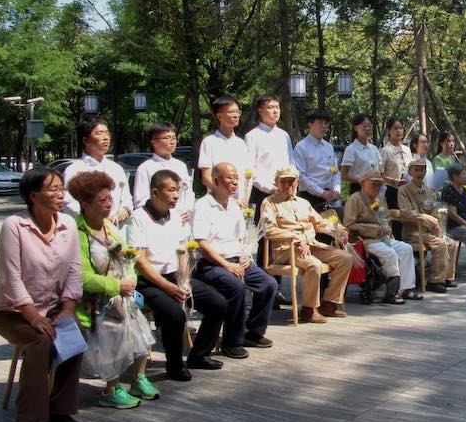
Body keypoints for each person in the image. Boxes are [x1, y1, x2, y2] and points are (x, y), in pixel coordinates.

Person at [0, 169, 87, 422]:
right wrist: (32, 316)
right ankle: (28, 420)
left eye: (60, 188)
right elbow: (11, 277)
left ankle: (60, 414)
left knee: (73, 336)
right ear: (33, 195)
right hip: (11, 311)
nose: (60, 194)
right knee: (40, 339)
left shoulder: (68, 224)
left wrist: (68, 308)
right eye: (52, 189)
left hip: (54, 307)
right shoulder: (14, 225)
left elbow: (75, 272)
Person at [128, 170, 227, 381]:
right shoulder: (138, 218)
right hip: (149, 281)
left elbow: (182, 249)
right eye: (171, 190)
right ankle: (174, 366)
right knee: (175, 314)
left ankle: (199, 355)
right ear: (155, 192)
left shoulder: (176, 217)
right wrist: (167, 286)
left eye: (178, 190)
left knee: (217, 303)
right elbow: (140, 261)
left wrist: (183, 279)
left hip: (175, 276)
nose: (176, 196)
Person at [69, 171, 157, 410]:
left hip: (120, 296)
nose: (109, 204)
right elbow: (82, 277)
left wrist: (130, 278)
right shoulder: (77, 235)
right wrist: (116, 286)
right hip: (92, 302)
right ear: (86, 205)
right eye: (103, 200)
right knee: (112, 328)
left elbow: (127, 258)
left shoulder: (111, 228)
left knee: (139, 323)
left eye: (110, 199)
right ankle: (111, 387)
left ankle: (139, 378)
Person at [191, 162, 278, 358]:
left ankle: (253, 332)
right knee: (235, 287)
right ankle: (231, 342)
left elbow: (242, 238)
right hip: (211, 264)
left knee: (268, 283)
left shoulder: (234, 207)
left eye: (236, 178)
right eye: (230, 177)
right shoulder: (203, 206)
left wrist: (245, 255)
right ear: (215, 180)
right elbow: (201, 244)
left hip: (237, 259)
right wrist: (227, 264)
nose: (235, 182)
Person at [261, 166, 353, 323]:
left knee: (345, 258)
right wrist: (296, 238)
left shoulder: (304, 203)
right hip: (287, 249)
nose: (288, 185)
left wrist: (338, 230)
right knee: (313, 265)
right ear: (276, 183)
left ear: (297, 182)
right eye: (283, 181)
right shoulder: (269, 203)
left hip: (311, 245)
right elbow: (268, 230)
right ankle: (309, 310)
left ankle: (329, 303)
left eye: (291, 181)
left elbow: (320, 223)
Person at [344, 170, 420, 304]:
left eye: (379, 185)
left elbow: (384, 217)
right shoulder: (355, 199)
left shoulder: (380, 198)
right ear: (363, 183)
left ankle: (406, 288)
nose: (377, 187)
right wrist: (372, 229)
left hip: (383, 238)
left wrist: (386, 227)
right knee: (389, 253)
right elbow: (349, 225)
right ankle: (391, 292)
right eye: (373, 184)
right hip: (365, 240)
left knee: (406, 248)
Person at [398, 158, 457, 293]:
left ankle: (446, 278)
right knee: (440, 244)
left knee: (451, 243)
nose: (420, 172)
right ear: (410, 172)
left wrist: (438, 220)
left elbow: (434, 208)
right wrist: (431, 221)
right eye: (416, 169)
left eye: (422, 169)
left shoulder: (428, 190)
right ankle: (435, 281)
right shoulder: (404, 190)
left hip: (430, 231)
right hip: (414, 232)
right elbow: (407, 213)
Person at [64, 117, 133, 230]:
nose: (106, 138)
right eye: (99, 133)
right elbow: (68, 202)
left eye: (107, 133)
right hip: (89, 231)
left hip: (117, 230)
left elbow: (126, 197)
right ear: (85, 140)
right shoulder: (75, 170)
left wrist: (125, 210)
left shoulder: (116, 168)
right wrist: (96, 218)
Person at [133, 120, 195, 220]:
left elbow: (188, 191)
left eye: (174, 138)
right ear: (154, 142)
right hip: (158, 222)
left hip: (184, 221)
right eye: (167, 138)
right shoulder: (145, 168)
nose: (172, 141)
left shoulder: (181, 166)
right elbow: (141, 201)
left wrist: (189, 209)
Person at [198, 96, 254, 202]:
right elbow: (206, 177)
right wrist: (226, 198)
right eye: (231, 112)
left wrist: (244, 199)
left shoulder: (241, 144)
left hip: (240, 203)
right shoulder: (209, 142)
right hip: (216, 202)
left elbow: (247, 175)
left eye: (237, 111)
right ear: (219, 116)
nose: (236, 115)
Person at [244, 94, 294, 212]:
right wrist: (269, 188)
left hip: (285, 191)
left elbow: (291, 163)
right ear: (260, 111)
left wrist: (292, 183)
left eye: (277, 107)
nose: (275, 111)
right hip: (262, 193)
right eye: (270, 107)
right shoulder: (252, 136)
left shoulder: (284, 135)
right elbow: (249, 169)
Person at [294, 109, 343, 215]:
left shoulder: (328, 146)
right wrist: (321, 193)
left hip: (330, 197)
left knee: (338, 226)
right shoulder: (301, 147)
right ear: (310, 124)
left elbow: (335, 171)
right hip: (309, 197)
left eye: (326, 123)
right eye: (320, 122)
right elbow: (301, 176)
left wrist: (336, 189)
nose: (324, 126)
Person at [340, 113, 382, 195]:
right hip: (358, 188)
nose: (367, 129)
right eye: (364, 126)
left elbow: (379, 169)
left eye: (369, 126)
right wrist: (361, 180)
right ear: (356, 128)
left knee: (375, 208)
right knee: (359, 207)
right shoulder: (351, 149)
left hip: (375, 188)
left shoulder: (374, 149)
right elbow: (344, 175)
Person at [379, 117, 412, 211]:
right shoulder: (385, 151)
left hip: (407, 191)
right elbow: (379, 174)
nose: (399, 131)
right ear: (389, 131)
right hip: (391, 191)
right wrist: (394, 180)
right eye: (395, 128)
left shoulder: (407, 150)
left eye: (401, 128)